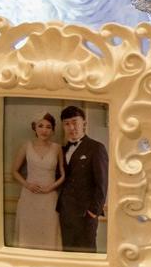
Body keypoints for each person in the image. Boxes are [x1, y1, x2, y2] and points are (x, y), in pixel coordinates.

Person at [57, 105, 108, 253]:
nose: (71, 127)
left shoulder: (96, 148)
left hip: (86, 214)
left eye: (75, 122)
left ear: (84, 123)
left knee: (87, 254)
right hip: (65, 212)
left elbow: (102, 184)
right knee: (68, 253)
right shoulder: (62, 150)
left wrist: (93, 212)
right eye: (67, 124)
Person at [10, 112, 65, 250]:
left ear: (53, 130)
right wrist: (27, 185)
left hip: (49, 198)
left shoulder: (57, 148)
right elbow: (14, 171)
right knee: (28, 234)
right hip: (29, 197)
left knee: (49, 233)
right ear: (34, 128)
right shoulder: (26, 146)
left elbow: (63, 175)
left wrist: (51, 187)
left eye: (48, 127)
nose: (44, 130)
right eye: (40, 126)